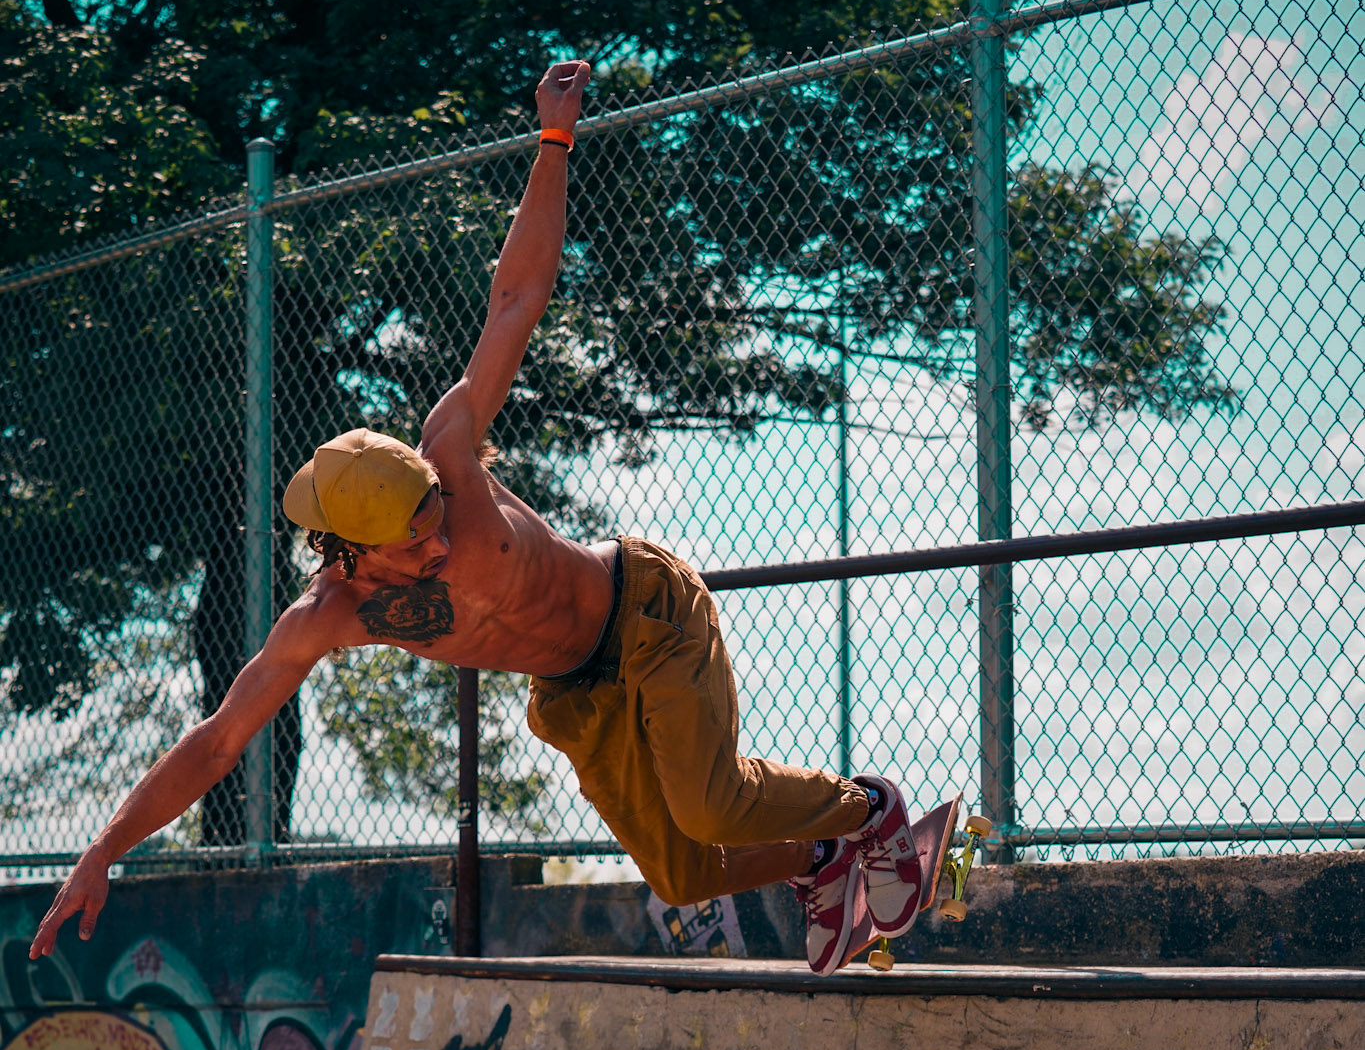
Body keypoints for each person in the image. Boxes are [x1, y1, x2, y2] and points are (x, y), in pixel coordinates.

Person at [30, 59, 941, 977]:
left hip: (647, 616)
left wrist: (552, 141)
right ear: (345, 553)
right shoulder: (325, 620)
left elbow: (515, 300)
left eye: (436, 515)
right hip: (577, 695)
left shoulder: (452, 448)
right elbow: (219, 740)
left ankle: (869, 809)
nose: (438, 539)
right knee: (680, 872)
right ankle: (823, 856)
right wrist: (104, 851)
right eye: (414, 539)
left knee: (708, 807)